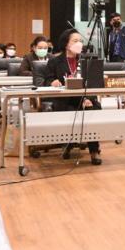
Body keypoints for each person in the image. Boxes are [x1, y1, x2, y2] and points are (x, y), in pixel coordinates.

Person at [43, 29, 102, 165]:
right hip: (65, 100)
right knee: (70, 110)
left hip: (85, 99)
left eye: (80, 41)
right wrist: (53, 82)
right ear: (66, 44)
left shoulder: (87, 61)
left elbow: (93, 84)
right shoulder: (55, 61)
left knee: (94, 109)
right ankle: (68, 144)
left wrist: (89, 99)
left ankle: (94, 150)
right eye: (75, 41)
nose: (79, 43)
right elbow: (46, 80)